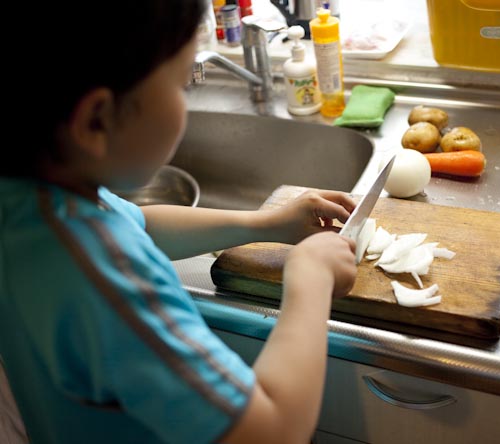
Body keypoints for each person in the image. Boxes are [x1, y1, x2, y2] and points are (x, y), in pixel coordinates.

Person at [0, 1, 357, 442]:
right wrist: (311, 277)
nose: (186, 100)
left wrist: (267, 224)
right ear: (96, 122)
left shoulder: (36, 204)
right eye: (181, 84)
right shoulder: (108, 283)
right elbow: (273, 431)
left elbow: (140, 226)